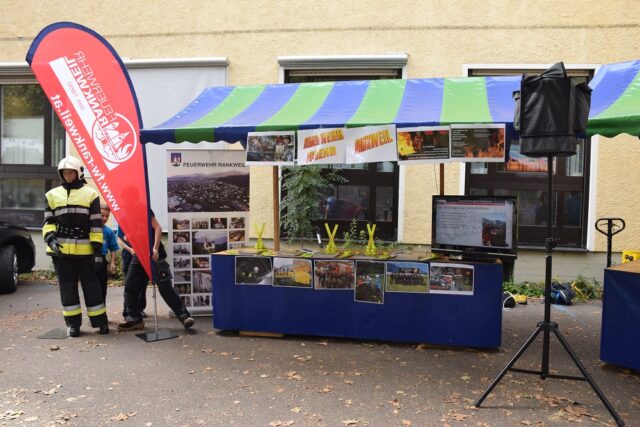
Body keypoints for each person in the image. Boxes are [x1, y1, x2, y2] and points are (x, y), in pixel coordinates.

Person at [42, 156, 109, 337]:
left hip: (85, 250)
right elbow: (48, 222)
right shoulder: (52, 195)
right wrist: (50, 239)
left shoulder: (91, 194)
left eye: (70, 172)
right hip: (61, 251)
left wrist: (97, 252)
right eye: (64, 173)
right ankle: (73, 325)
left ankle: (100, 323)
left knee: (92, 287)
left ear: (78, 173)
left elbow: (96, 225)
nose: (67, 175)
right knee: (67, 288)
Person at [117, 210, 195, 331]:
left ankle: (184, 316)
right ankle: (134, 319)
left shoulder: (143, 208)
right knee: (130, 285)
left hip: (155, 254)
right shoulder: (124, 214)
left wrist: (155, 248)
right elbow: (123, 237)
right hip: (139, 254)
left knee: (165, 287)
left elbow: (158, 228)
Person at [116, 226, 147, 318]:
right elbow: (119, 239)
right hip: (129, 254)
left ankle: (139, 309)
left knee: (142, 283)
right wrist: (129, 249)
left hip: (142, 253)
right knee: (129, 284)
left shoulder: (142, 219)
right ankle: (127, 311)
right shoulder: (123, 220)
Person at [97, 204, 120, 300]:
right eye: (102, 215)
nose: (105, 218)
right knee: (92, 288)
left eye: (107, 216)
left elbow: (113, 248)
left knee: (102, 287)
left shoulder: (109, 232)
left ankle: (102, 310)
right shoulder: (89, 228)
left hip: (102, 260)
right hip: (89, 259)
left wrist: (112, 262)